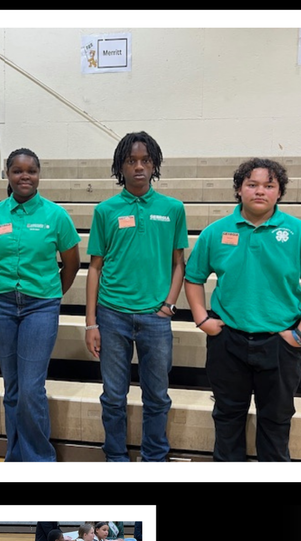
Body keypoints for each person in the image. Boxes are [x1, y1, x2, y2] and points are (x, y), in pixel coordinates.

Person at [184, 158, 301, 461]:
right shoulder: (216, 232)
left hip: (280, 344)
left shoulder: (299, 233)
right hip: (228, 341)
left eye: (269, 185)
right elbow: (193, 278)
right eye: (252, 184)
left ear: (279, 192)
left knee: (276, 422)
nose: (260, 191)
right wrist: (202, 319)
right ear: (239, 190)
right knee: (227, 418)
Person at [84, 131, 188, 461]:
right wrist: (91, 323)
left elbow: (179, 264)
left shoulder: (173, 209)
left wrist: (169, 304)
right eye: (131, 161)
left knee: (157, 395)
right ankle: (115, 457)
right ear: (121, 167)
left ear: (154, 165)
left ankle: (154, 457)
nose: (139, 167)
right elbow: (95, 268)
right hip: (112, 314)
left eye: (145, 161)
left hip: (155, 318)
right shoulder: (105, 210)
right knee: (113, 396)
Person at [0, 148, 81, 461]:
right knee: (12, 387)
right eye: (18, 171)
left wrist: (51, 294)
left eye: (31, 171)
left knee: (31, 389)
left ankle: (38, 460)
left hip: (40, 306)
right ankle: (15, 457)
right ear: (8, 174)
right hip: (3, 305)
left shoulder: (55, 215)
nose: (25, 176)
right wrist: (9, 283)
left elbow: (71, 262)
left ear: (39, 174)